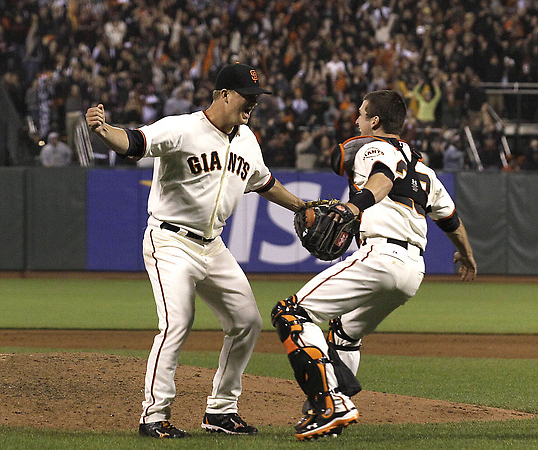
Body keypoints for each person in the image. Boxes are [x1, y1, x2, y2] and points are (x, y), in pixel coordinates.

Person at [85, 63, 306, 439]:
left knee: (247, 322)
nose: (252, 104)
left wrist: (302, 206)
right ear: (222, 95)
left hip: (213, 246)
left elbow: (265, 182)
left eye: (256, 98)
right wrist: (104, 130)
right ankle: (153, 416)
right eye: (246, 97)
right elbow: (135, 143)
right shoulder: (182, 127)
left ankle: (220, 410)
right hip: (170, 241)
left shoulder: (247, 139)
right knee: (177, 322)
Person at [271, 90, 477, 441]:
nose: (357, 120)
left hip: (380, 256)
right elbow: (450, 220)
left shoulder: (372, 147)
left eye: (362, 114)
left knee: (290, 313)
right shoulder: (425, 170)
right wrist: (467, 254)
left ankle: (329, 403)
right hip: (413, 272)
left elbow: (381, 177)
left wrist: (355, 207)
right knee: (345, 332)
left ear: (375, 121)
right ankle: (336, 410)